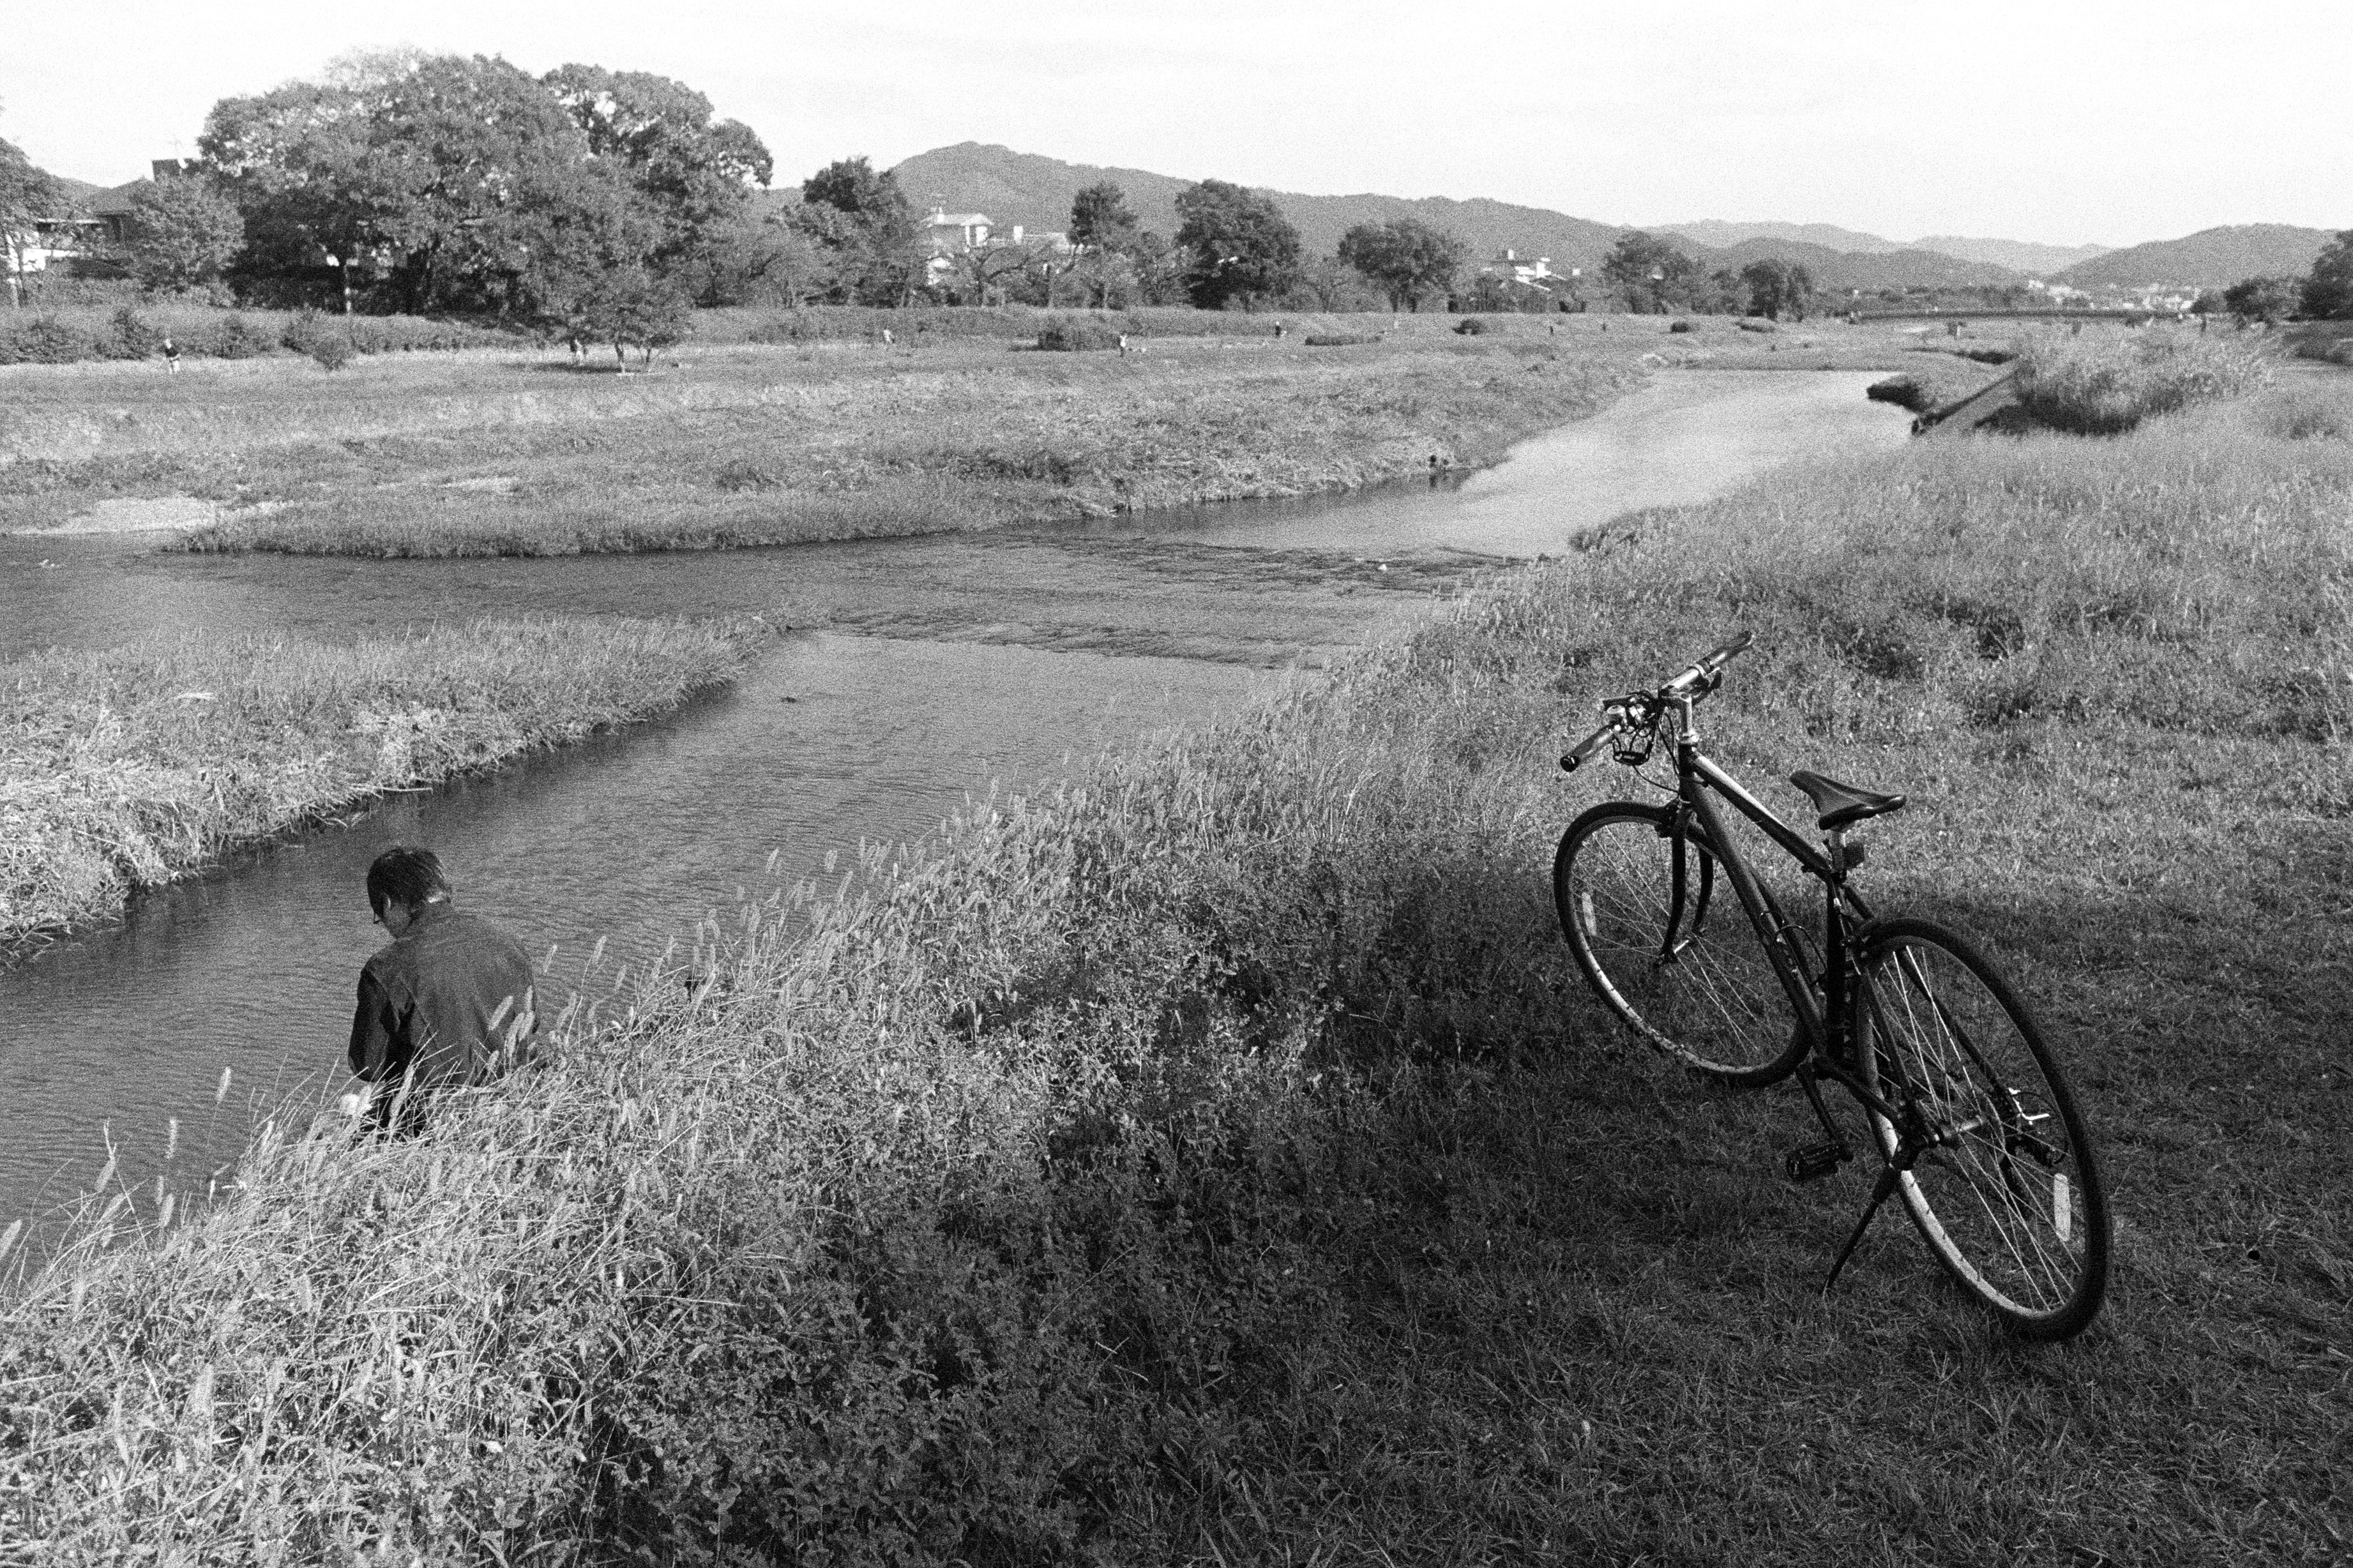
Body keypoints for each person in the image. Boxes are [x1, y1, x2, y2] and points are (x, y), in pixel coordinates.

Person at [347, 846, 538, 1134]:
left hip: (432, 1123)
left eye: (379, 916)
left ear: (387, 903)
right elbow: (530, 1024)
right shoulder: (508, 941)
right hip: (518, 1102)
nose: (385, 926)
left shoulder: (386, 968)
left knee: (349, 1109)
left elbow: (368, 1067)